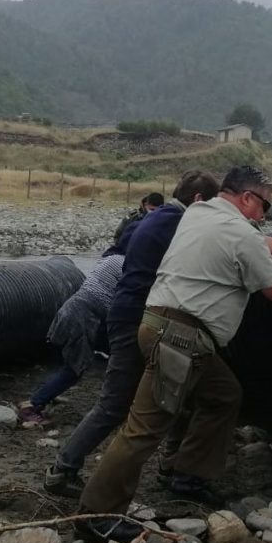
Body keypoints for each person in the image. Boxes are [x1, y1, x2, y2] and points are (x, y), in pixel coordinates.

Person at [75, 166, 272, 543]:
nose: (264, 215)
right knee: (144, 428)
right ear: (247, 198)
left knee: (223, 394)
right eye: (264, 205)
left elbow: (250, 242)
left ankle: (187, 473)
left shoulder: (200, 213)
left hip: (159, 326)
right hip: (182, 339)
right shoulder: (242, 233)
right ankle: (97, 514)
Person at [44, 171, 219, 498]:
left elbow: (120, 249)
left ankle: (170, 465)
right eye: (214, 207)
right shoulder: (179, 224)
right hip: (139, 316)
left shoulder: (152, 218)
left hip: (127, 313)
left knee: (176, 391)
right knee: (118, 403)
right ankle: (62, 470)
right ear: (198, 201)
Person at [18, 251, 126, 425]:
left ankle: (46, 395)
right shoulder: (125, 264)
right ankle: (32, 405)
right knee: (73, 371)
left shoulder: (109, 259)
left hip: (71, 312)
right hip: (82, 320)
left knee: (73, 365)